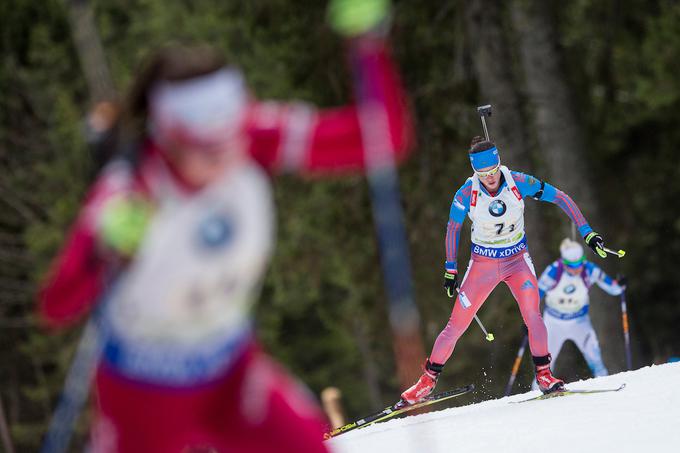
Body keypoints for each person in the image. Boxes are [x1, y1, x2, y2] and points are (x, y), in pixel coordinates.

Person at [37, 1, 413, 451]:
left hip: (229, 372)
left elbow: (381, 137)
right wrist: (103, 248)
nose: (221, 160)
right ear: (169, 137)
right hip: (144, 388)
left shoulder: (250, 137)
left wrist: (368, 45)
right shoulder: (131, 189)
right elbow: (57, 305)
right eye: (203, 150)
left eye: (227, 140)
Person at [400, 136, 612, 403]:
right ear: (475, 172)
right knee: (456, 325)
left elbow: (560, 198)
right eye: (482, 173)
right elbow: (453, 228)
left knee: (533, 314)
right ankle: (425, 383)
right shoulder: (466, 193)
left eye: (493, 171)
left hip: (517, 261)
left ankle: (545, 375)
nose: (489, 178)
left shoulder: (518, 182)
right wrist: (450, 269)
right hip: (483, 264)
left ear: (500, 164)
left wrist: (587, 233)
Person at [531, 238, 625, 384]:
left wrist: (619, 285)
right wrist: (531, 322)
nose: (576, 268)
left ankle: (606, 384)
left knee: (595, 358)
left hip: (579, 321)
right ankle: (537, 390)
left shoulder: (589, 269)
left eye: (579, 263)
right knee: (545, 363)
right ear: (564, 262)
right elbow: (535, 297)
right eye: (572, 265)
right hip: (554, 322)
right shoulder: (554, 271)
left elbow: (613, 288)